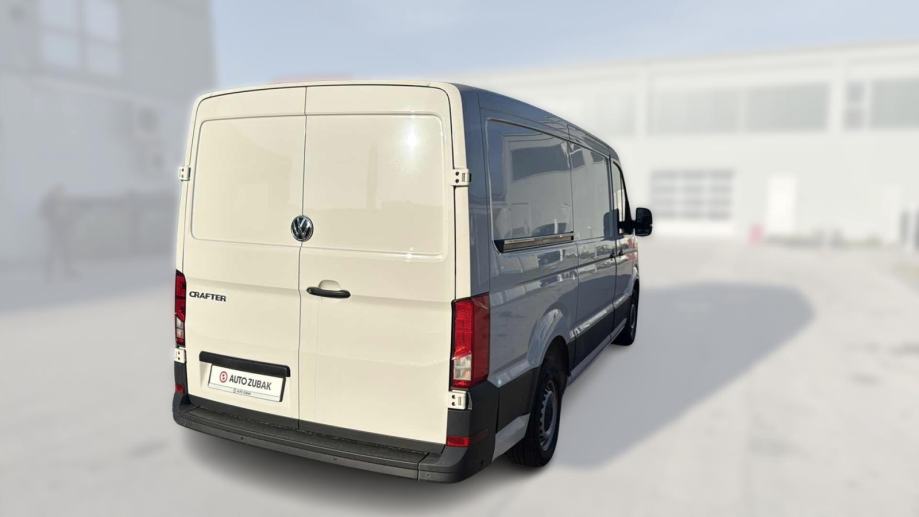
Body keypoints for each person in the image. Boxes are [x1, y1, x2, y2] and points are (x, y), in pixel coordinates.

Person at [39, 185, 77, 279]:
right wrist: (52, 219)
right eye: (59, 192)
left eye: (61, 192)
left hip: (64, 229)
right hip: (54, 229)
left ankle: (68, 271)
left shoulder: (65, 201)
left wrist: (70, 221)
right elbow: (42, 212)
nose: (60, 194)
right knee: (52, 251)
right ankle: (49, 272)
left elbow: (71, 212)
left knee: (66, 250)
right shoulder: (49, 201)